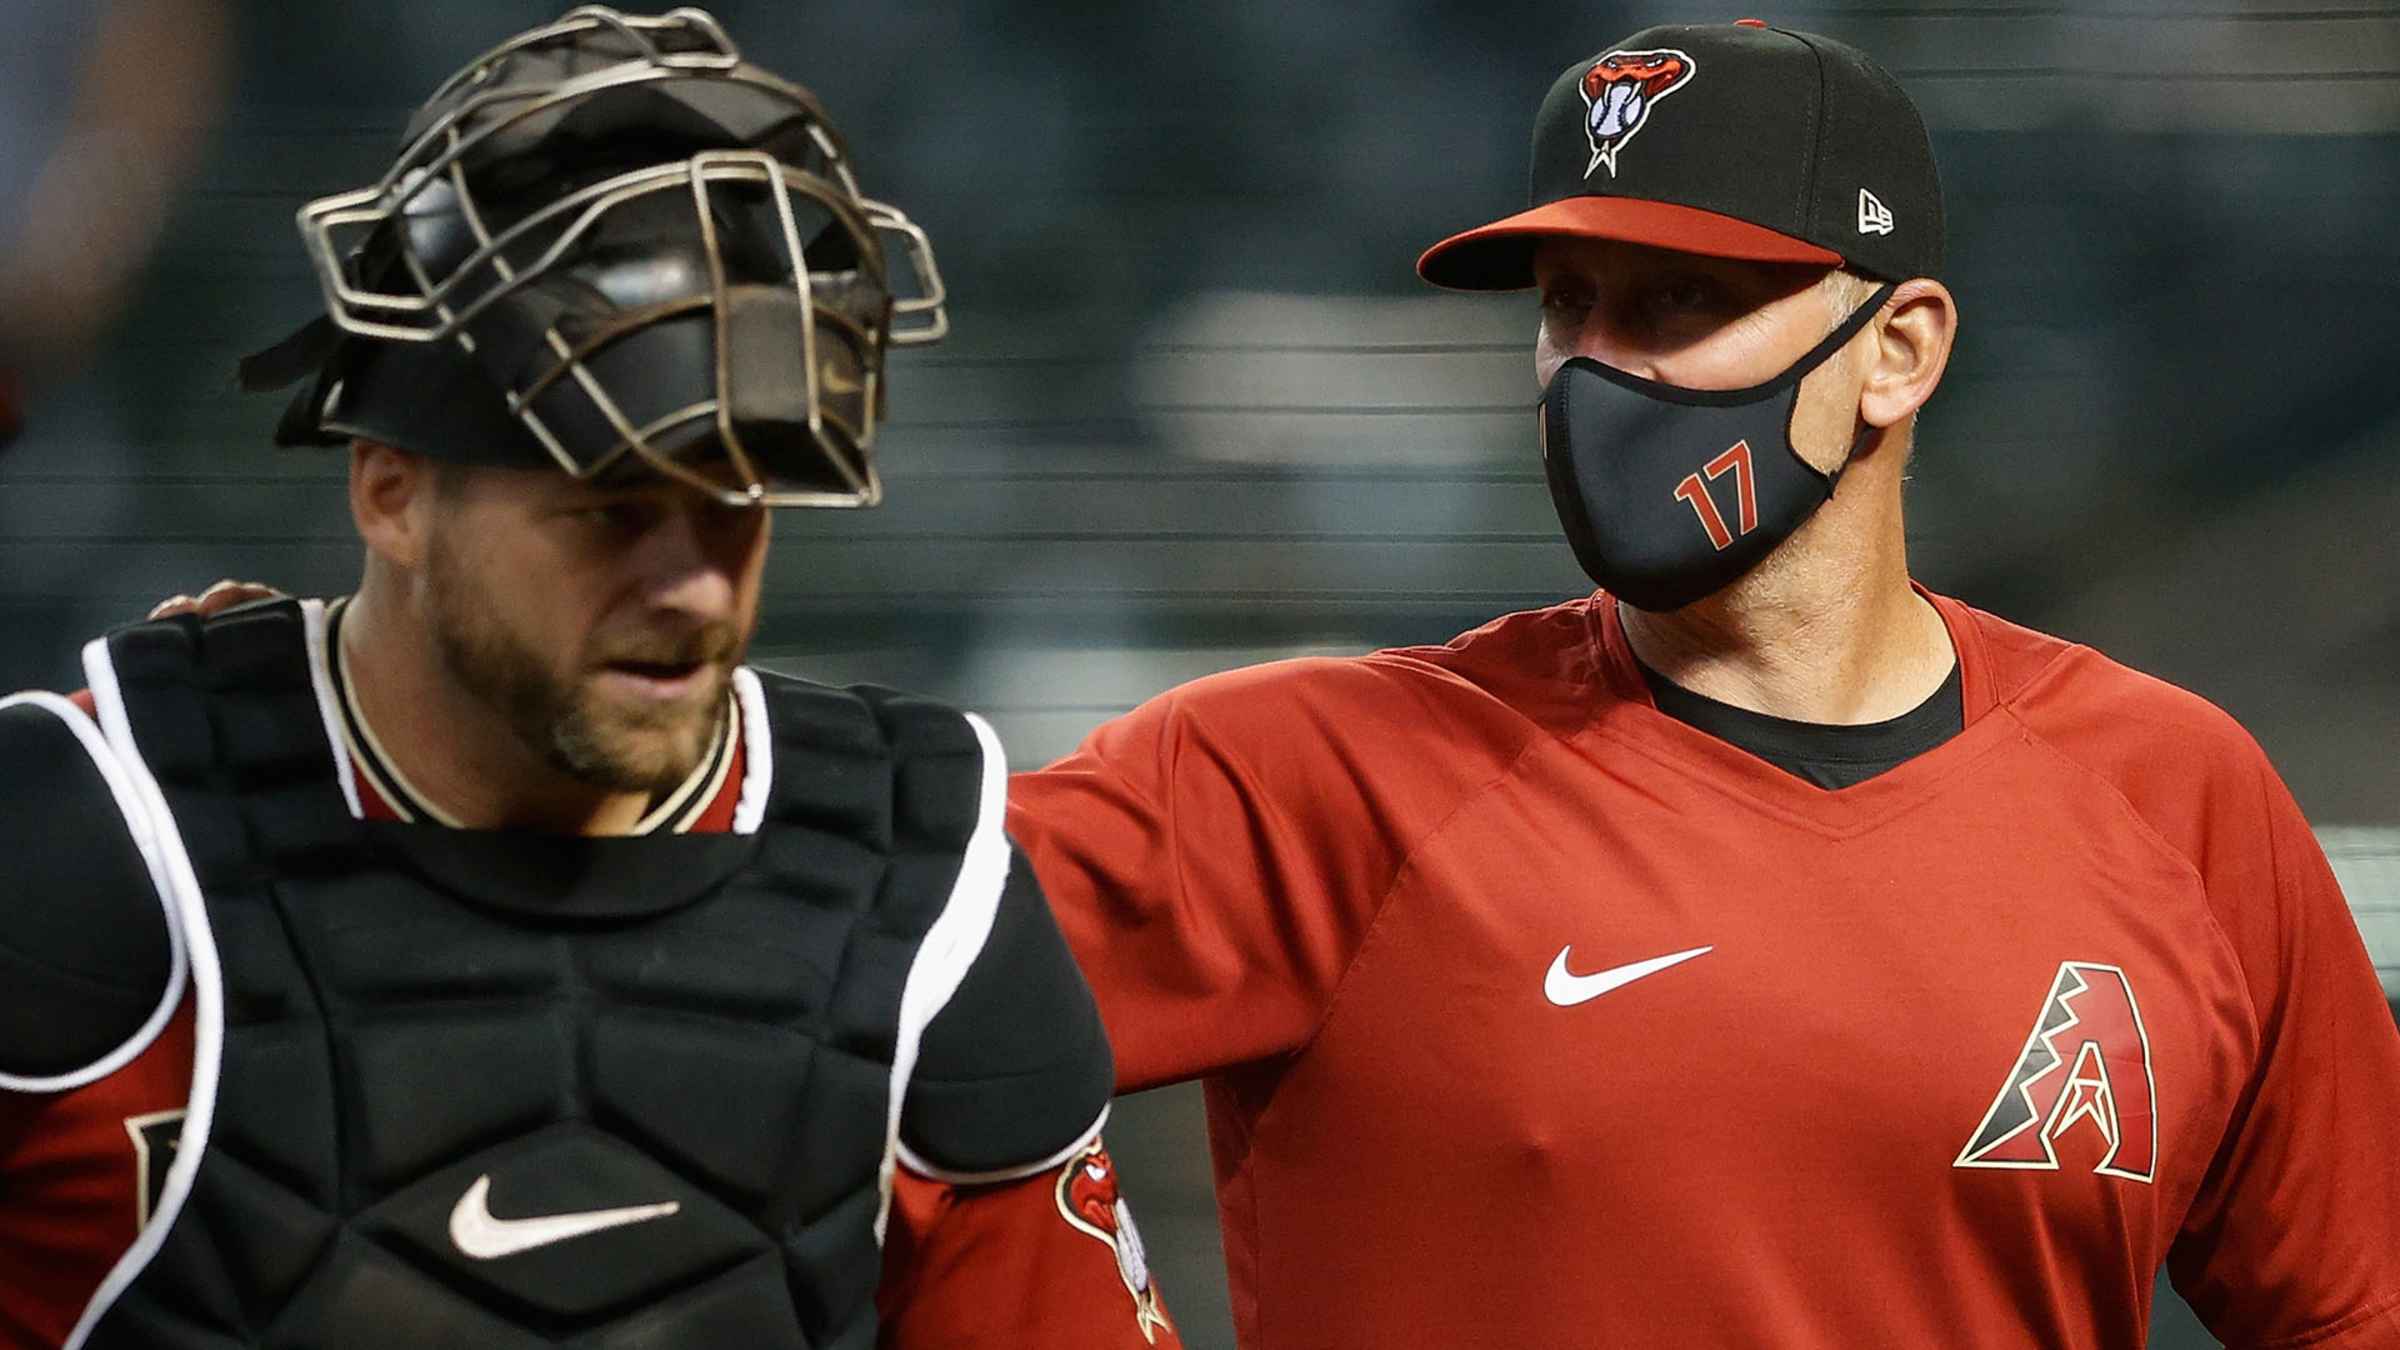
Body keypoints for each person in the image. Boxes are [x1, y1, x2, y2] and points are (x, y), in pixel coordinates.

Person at [1002, 20, 2400, 1350]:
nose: (1603, 369)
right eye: (1570, 305)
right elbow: (843, 998)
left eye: (1682, 297)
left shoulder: (2177, 796)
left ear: (1898, 351)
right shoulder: (1313, 775)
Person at [0, 9, 1175, 1349]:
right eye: (611, 509)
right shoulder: (85, 844)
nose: (691, 588)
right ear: (391, 489)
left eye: (737, 505)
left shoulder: (918, 894)